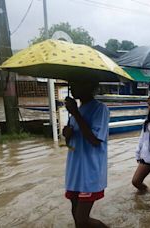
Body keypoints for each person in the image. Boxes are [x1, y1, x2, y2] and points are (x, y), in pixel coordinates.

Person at [62, 80, 109, 228]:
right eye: (71, 84)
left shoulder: (100, 109)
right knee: (76, 216)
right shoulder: (77, 110)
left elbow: (95, 140)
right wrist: (67, 134)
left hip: (89, 173)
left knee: (82, 219)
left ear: (92, 87)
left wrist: (75, 113)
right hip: (74, 172)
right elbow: (72, 143)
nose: (73, 86)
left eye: (78, 83)